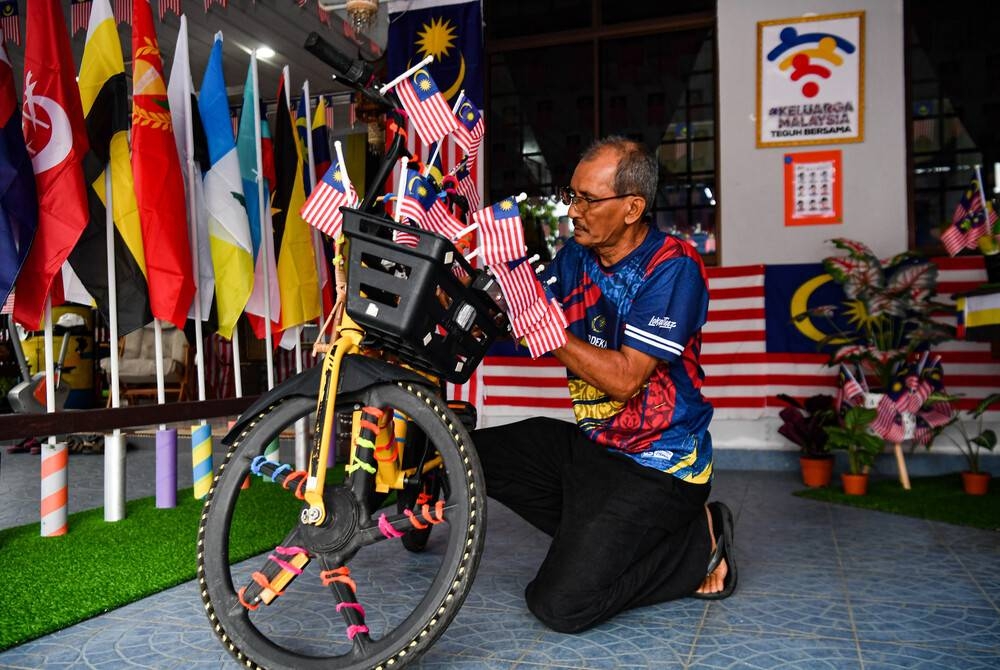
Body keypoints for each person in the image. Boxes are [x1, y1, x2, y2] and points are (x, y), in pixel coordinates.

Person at [471, 136, 736, 634]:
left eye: (587, 200)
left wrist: (545, 328)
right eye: (570, 196)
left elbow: (624, 379)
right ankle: (602, 539)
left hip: (659, 468)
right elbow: (523, 313)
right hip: (596, 448)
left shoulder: (673, 267)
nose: (573, 211)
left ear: (633, 207)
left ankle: (698, 543)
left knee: (560, 605)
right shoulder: (575, 256)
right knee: (470, 455)